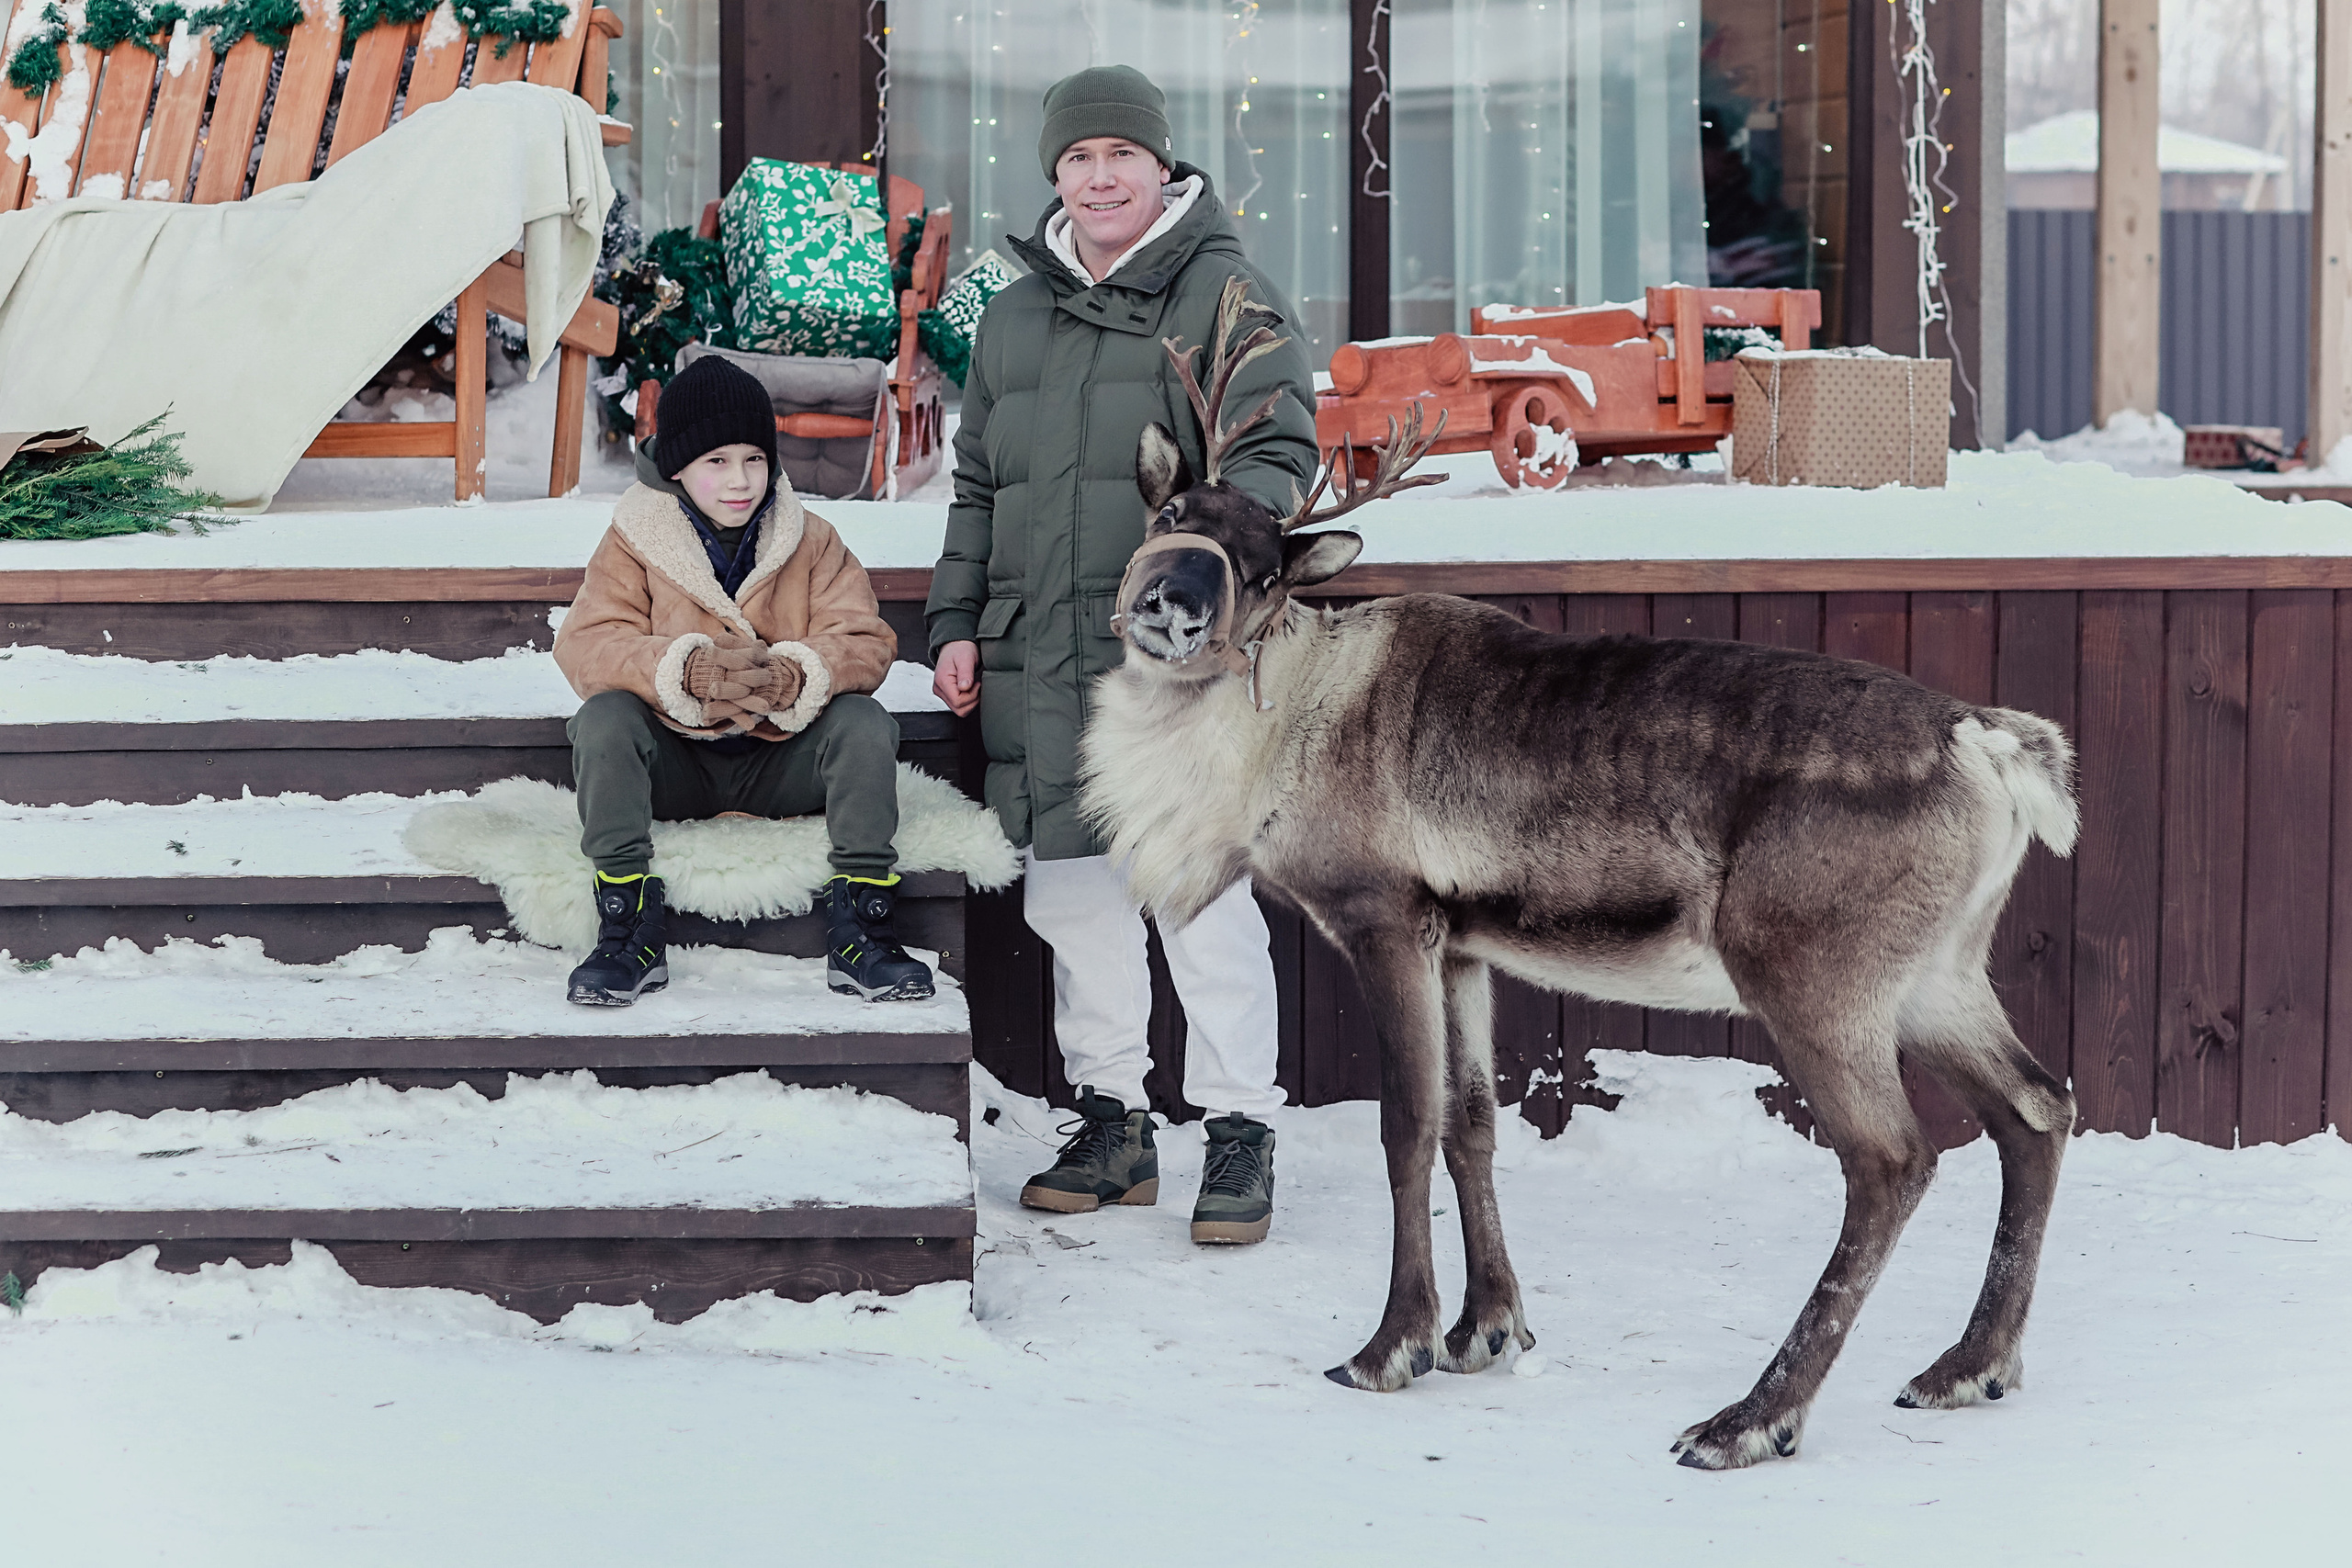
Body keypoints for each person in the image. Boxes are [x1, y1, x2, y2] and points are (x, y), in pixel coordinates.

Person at [926, 64, 1319, 1245]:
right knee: (1073, 896)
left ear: (1162, 168)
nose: (1100, 178)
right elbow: (979, 485)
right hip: (1040, 649)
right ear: (1056, 176)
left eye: (1120, 158)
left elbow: (1276, 451)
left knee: (1198, 895)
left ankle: (1240, 1128)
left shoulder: (1224, 292)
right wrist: (953, 623)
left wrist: (1203, 571)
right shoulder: (1013, 312)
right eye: (1077, 161)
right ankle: (1113, 1122)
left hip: (1177, 661)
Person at [555, 353, 933, 1007]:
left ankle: (863, 928)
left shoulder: (811, 539)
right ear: (677, 467)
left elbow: (865, 638)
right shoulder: (634, 540)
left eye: (754, 459)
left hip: (779, 760)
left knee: (864, 725)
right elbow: (587, 644)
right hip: (676, 764)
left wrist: (798, 672)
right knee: (605, 719)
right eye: (717, 462)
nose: (740, 480)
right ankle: (625, 928)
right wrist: (683, 667)